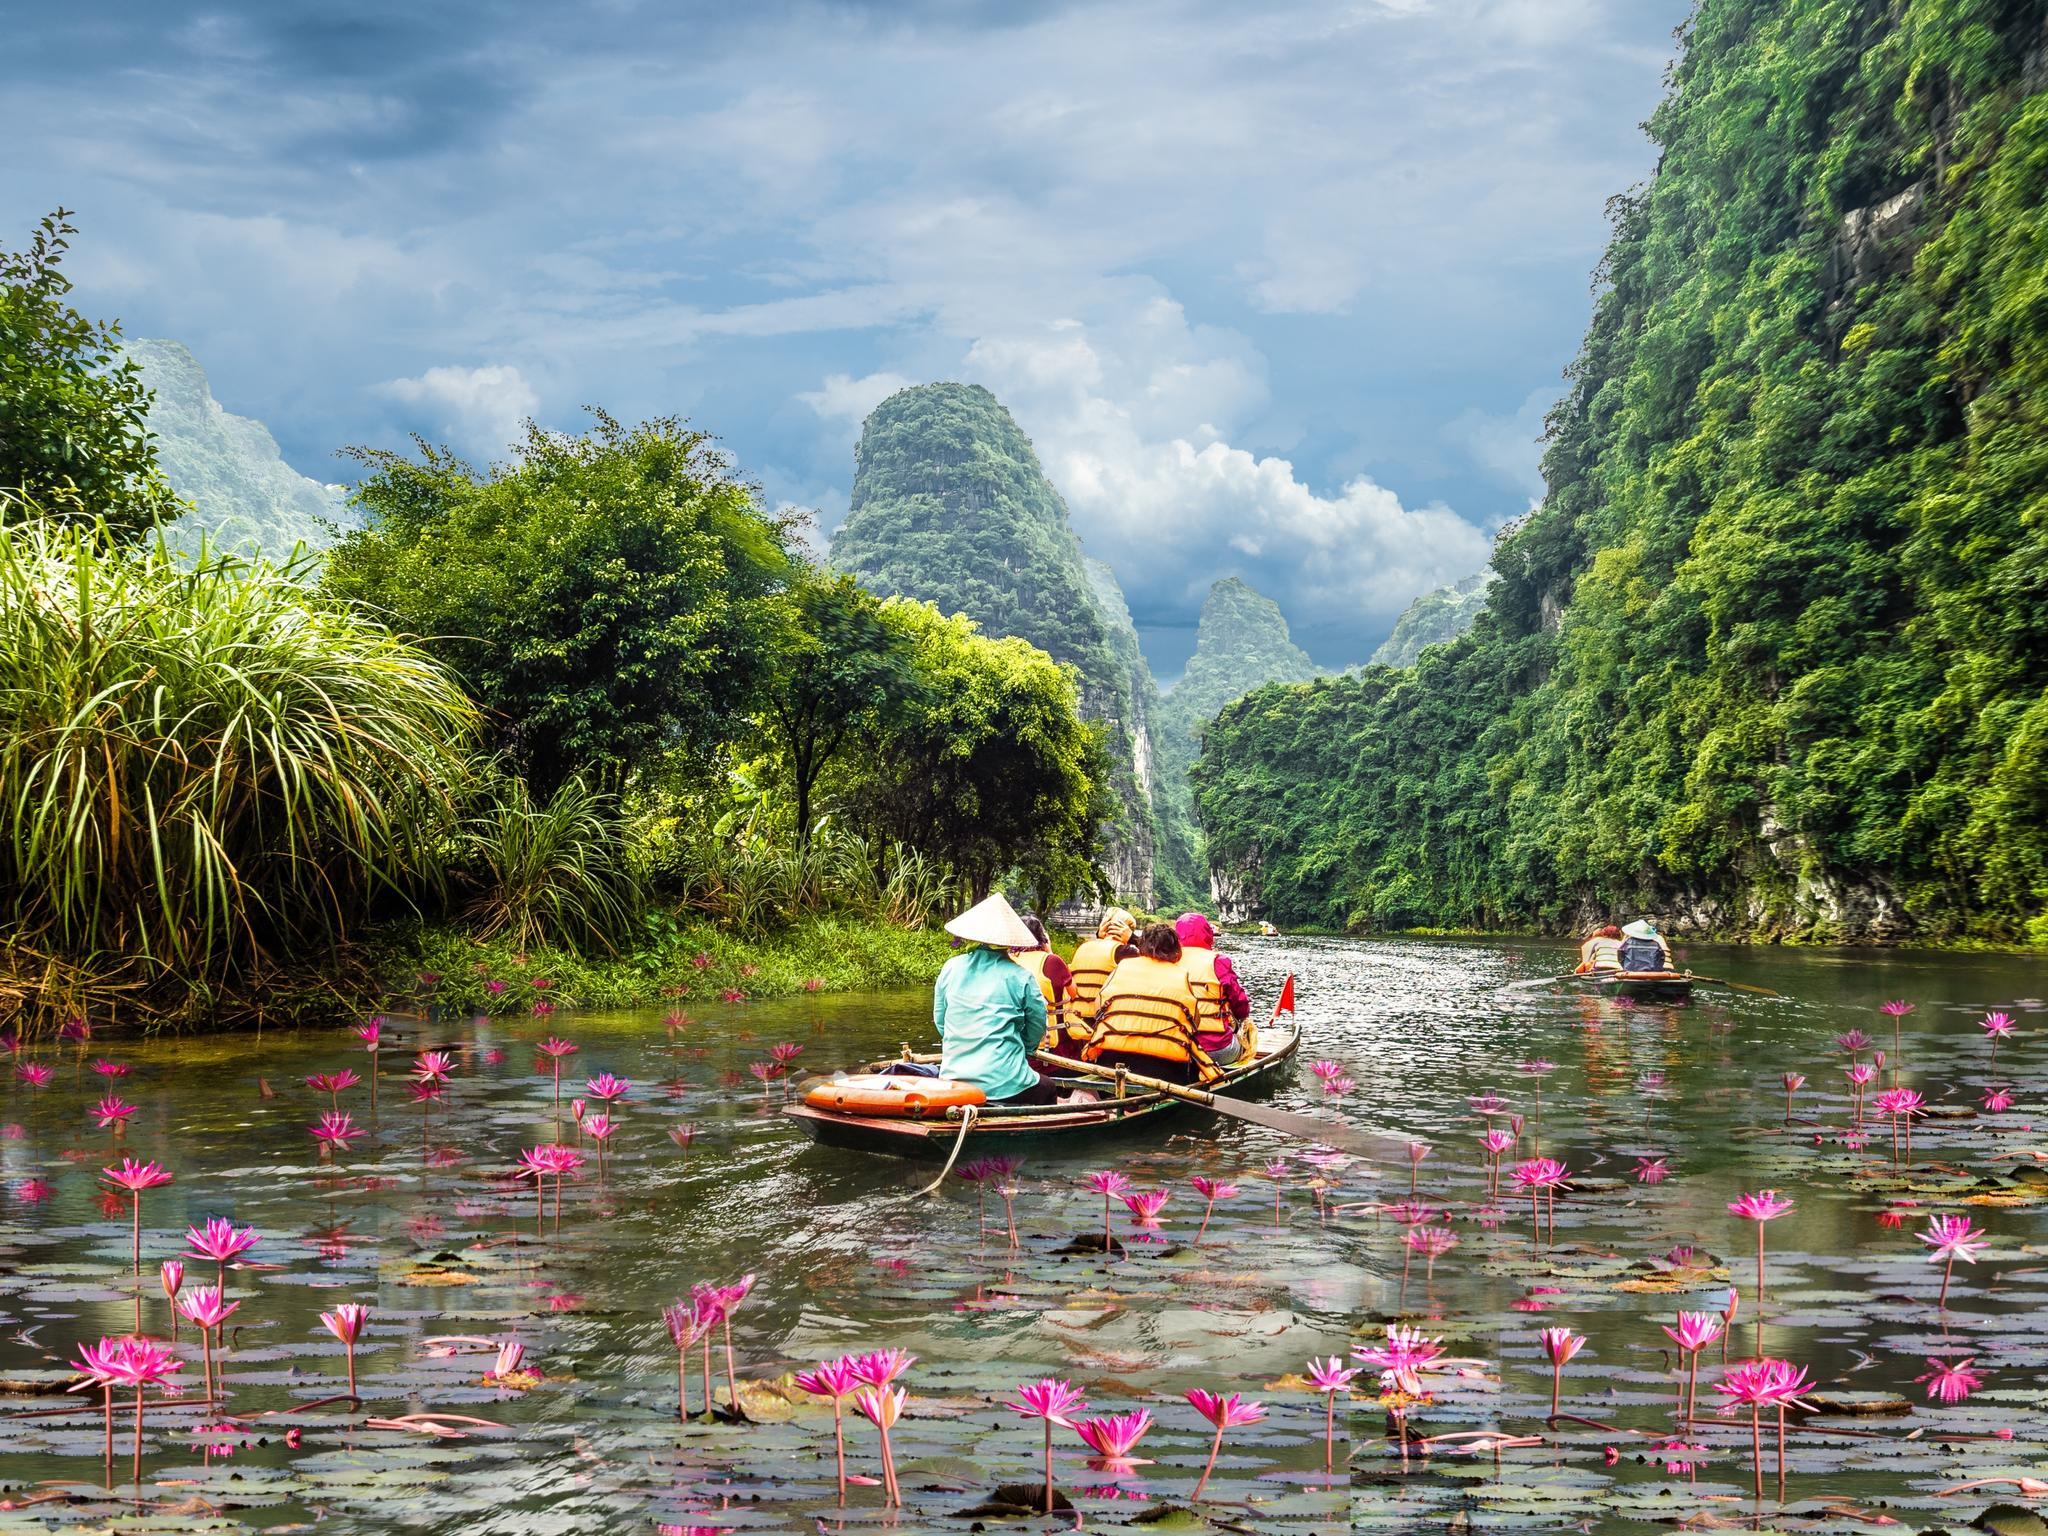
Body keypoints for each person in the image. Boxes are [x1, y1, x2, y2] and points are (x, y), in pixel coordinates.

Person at [933, 893, 1061, 1105]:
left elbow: (941, 1022)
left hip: (953, 1081)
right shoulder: (1022, 976)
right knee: (1048, 1087)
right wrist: (1025, 1048)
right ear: (1007, 941)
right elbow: (1037, 1026)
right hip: (1006, 1082)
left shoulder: (950, 968)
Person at [1084, 922, 1215, 1085]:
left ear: (1142, 945)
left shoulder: (1121, 967)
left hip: (1112, 1062)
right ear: (1176, 950)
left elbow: (1098, 1009)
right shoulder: (1181, 976)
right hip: (1164, 1068)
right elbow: (1194, 1023)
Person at [1174, 911, 1252, 1067]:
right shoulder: (1218, 962)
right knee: (1247, 1035)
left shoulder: (1168, 959)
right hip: (1217, 1049)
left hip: (1176, 1046)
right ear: (1207, 933)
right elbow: (1241, 1005)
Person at [1057, 908, 1137, 1056]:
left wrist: (1099, 936)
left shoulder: (1084, 947)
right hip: (1105, 1023)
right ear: (1126, 930)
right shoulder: (1125, 952)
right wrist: (1133, 938)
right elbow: (1152, 960)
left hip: (1077, 1020)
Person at [1010, 914, 1076, 1049]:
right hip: (1048, 1041)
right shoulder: (1052, 961)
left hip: (1013, 1037)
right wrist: (1050, 951)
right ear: (1043, 938)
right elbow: (1073, 993)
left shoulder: (1007, 960)